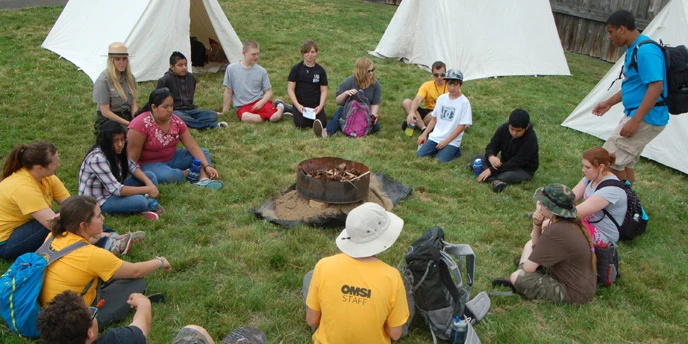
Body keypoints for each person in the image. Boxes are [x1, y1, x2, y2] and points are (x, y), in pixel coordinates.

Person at [39, 195, 172, 329]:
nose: (103, 218)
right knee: (137, 282)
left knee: (110, 274)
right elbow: (135, 271)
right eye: (98, 216)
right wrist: (159, 261)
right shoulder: (92, 255)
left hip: (48, 310)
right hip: (72, 322)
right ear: (83, 225)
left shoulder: (53, 236)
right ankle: (98, 319)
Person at [303, 202, 409, 343]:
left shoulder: (324, 266)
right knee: (403, 295)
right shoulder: (392, 277)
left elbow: (312, 320)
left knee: (310, 276)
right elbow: (395, 334)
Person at [592, 10, 669, 184]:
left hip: (646, 118)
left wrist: (635, 120)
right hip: (638, 115)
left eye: (611, 32)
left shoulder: (645, 51)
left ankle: (615, 203)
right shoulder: (633, 49)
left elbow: (656, 87)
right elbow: (635, 85)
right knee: (626, 164)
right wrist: (609, 102)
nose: (609, 37)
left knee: (608, 161)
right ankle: (630, 207)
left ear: (622, 29)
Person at [37, 289, 265, 344]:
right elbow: (142, 323)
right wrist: (143, 302)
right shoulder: (116, 339)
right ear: (89, 332)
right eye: (92, 313)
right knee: (195, 331)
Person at [495, 184, 597, 305]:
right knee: (529, 245)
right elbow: (536, 245)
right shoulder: (566, 223)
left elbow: (529, 267)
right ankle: (526, 277)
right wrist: (537, 225)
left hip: (573, 294)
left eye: (543, 203)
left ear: (552, 208)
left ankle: (519, 282)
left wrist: (526, 269)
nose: (540, 204)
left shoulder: (557, 230)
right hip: (576, 284)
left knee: (517, 277)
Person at [127, 88, 223, 189]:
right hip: (148, 164)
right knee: (168, 176)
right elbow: (132, 160)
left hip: (172, 158)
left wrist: (207, 166)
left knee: (203, 152)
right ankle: (188, 173)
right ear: (154, 107)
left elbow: (192, 146)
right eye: (165, 107)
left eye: (171, 106)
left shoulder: (176, 121)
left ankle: (203, 180)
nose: (170, 110)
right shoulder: (140, 125)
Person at [79, 120, 162, 220]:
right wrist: (148, 189)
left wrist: (149, 184)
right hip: (99, 201)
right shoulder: (97, 158)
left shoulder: (117, 151)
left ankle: (145, 203)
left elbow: (132, 167)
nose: (120, 144)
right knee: (140, 201)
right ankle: (144, 204)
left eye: (122, 140)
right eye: (116, 141)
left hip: (113, 189)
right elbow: (117, 190)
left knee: (149, 176)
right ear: (106, 141)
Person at [0, 142, 69, 259]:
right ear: (40, 168)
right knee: (62, 220)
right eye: (55, 162)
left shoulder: (47, 177)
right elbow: (53, 225)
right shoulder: (22, 187)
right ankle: (100, 238)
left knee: (70, 213)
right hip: (7, 242)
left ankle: (102, 235)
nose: (59, 165)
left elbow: (71, 204)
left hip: (28, 226)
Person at [472, 109, 539, 193]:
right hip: (503, 162)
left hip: (521, 169)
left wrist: (492, 170)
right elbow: (492, 146)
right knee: (477, 158)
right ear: (509, 125)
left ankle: (492, 177)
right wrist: (491, 156)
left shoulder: (530, 139)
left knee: (505, 176)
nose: (514, 133)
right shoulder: (503, 128)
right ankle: (493, 179)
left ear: (527, 127)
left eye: (519, 131)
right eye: (512, 129)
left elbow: (517, 162)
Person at [156, 51, 227, 130]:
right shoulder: (165, 80)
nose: (184, 67)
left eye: (185, 65)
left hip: (190, 110)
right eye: (180, 65)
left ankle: (190, 123)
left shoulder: (191, 78)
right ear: (172, 67)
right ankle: (211, 126)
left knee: (212, 115)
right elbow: (157, 100)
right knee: (178, 117)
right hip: (175, 111)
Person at [571, 147, 627, 247]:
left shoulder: (611, 190)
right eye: (583, 166)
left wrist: (550, 215)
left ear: (601, 167)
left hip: (603, 234)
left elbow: (574, 213)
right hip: (586, 222)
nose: (583, 170)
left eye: (587, 167)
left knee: (559, 227)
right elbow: (570, 197)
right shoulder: (591, 177)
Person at [221, 39, 286, 123]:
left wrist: (261, 102)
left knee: (275, 117)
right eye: (253, 54)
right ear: (244, 53)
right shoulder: (231, 69)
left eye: (257, 54)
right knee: (245, 117)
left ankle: (280, 106)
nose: (256, 57)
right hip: (243, 106)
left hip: (259, 102)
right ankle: (266, 117)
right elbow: (228, 91)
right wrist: (224, 111)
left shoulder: (261, 71)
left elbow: (269, 92)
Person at [315, 57, 382, 137]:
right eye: (369, 71)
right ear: (361, 71)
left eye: (372, 70)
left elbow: (375, 103)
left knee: (376, 126)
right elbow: (338, 101)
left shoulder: (375, 84)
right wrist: (346, 93)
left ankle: (352, 129)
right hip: (349, 112)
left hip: (364, 114)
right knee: (341, 111)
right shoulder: (349, 81)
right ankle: (326, 132)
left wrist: (373, 115)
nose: (371, 73)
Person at [416, 69, 472, 162]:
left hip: (452, 140)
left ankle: (456, 150)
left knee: (440, 160)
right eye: (450, 84)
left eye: (455, 84)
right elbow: (434, 119)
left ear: (460, 85)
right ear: (446, 83)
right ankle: (440, 148)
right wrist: (424, 134)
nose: (452, 88)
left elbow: (462, 126)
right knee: (420, 154)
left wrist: (447, 141)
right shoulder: (442, 98)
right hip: (436, 136)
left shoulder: (464, 102)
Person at [93, 42, 138, 131]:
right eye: (118, 59)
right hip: (109, 119)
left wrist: (136, 119)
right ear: (111, 61)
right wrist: (128, 124)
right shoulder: (103, 81)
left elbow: (133, 102)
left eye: (124, 59)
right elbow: (105, 112)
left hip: (126, 115)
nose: (122, 62)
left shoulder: (130, 77)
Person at [284, 40, 328, 129]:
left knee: (322, 123)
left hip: (315, 105)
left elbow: (324, 90)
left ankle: (291, 110)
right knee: (301, 124)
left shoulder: (320, 71)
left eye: (312, 52)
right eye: (307, 52)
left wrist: (321, 105)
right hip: (301, 104)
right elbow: (290, 89)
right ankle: (293, 110)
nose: (310, 55)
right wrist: (297, 105)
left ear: (316, 53)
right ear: (302, 53)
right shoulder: (296, 69)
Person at [401, 61, 448, 132]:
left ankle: (416, 124)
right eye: (436, 75)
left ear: (446, 74)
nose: (439, 77)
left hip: (441, 113)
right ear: (432, 74)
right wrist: (412, 112)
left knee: (437, 112)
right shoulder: (427, 85)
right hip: (427, 111)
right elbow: (418, 99)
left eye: (442, 75)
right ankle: (423, 128)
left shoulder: (451, 86)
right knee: (406, 102)